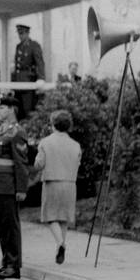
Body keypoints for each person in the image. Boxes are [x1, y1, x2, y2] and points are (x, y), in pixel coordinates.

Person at [0, 96, 30, 279]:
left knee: (10, 225)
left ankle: (14, 264)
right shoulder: (2, 130)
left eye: (1, 108)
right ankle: (6, 262)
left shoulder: (17, 132)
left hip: (7, 185)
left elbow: (21, 163)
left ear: (11, 109)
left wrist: (21, 188)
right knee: (1, 226)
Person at [33, 110, 82, 264]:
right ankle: (60, 245)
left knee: (51, 216)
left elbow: (39, 164)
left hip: (52, 182)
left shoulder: (45, 142)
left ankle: (60, 243)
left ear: (53, 124)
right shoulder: (76, 145)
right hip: (70, 183)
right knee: (64, 218)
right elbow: (78, 163)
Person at [13, 23, 45, 120]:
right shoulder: (18, 46)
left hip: (28, 81)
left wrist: (41, 78)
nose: (20, 36)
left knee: (28, 109)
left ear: (27, 33)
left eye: (22, 33)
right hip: (19, 82)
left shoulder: (34, 45)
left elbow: (40, 63)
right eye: (19, 33)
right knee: (19, 109)